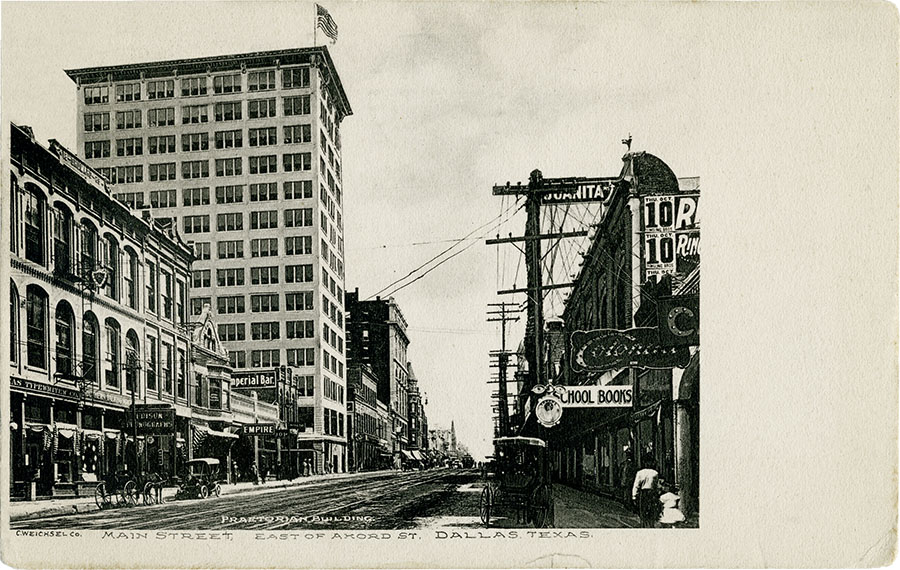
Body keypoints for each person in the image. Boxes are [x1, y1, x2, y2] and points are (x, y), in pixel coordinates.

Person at [632, 456, 661, 528]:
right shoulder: (655, 473)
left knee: (643, 512)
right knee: (651, 512)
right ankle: (651, 526)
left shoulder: (640, 473)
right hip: (652, 494)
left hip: (643, 494)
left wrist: (634, 496)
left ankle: (643, 526)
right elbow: (656, 486)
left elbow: (636, 485)